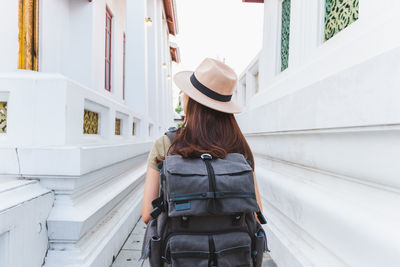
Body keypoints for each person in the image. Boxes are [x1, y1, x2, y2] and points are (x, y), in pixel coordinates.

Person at [141, 57, 263, 224]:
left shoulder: (167, 144)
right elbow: (257, 214)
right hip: (233, 247)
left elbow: (148, 214)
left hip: (180, 246)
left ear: (190, 100)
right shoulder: (238, 146)